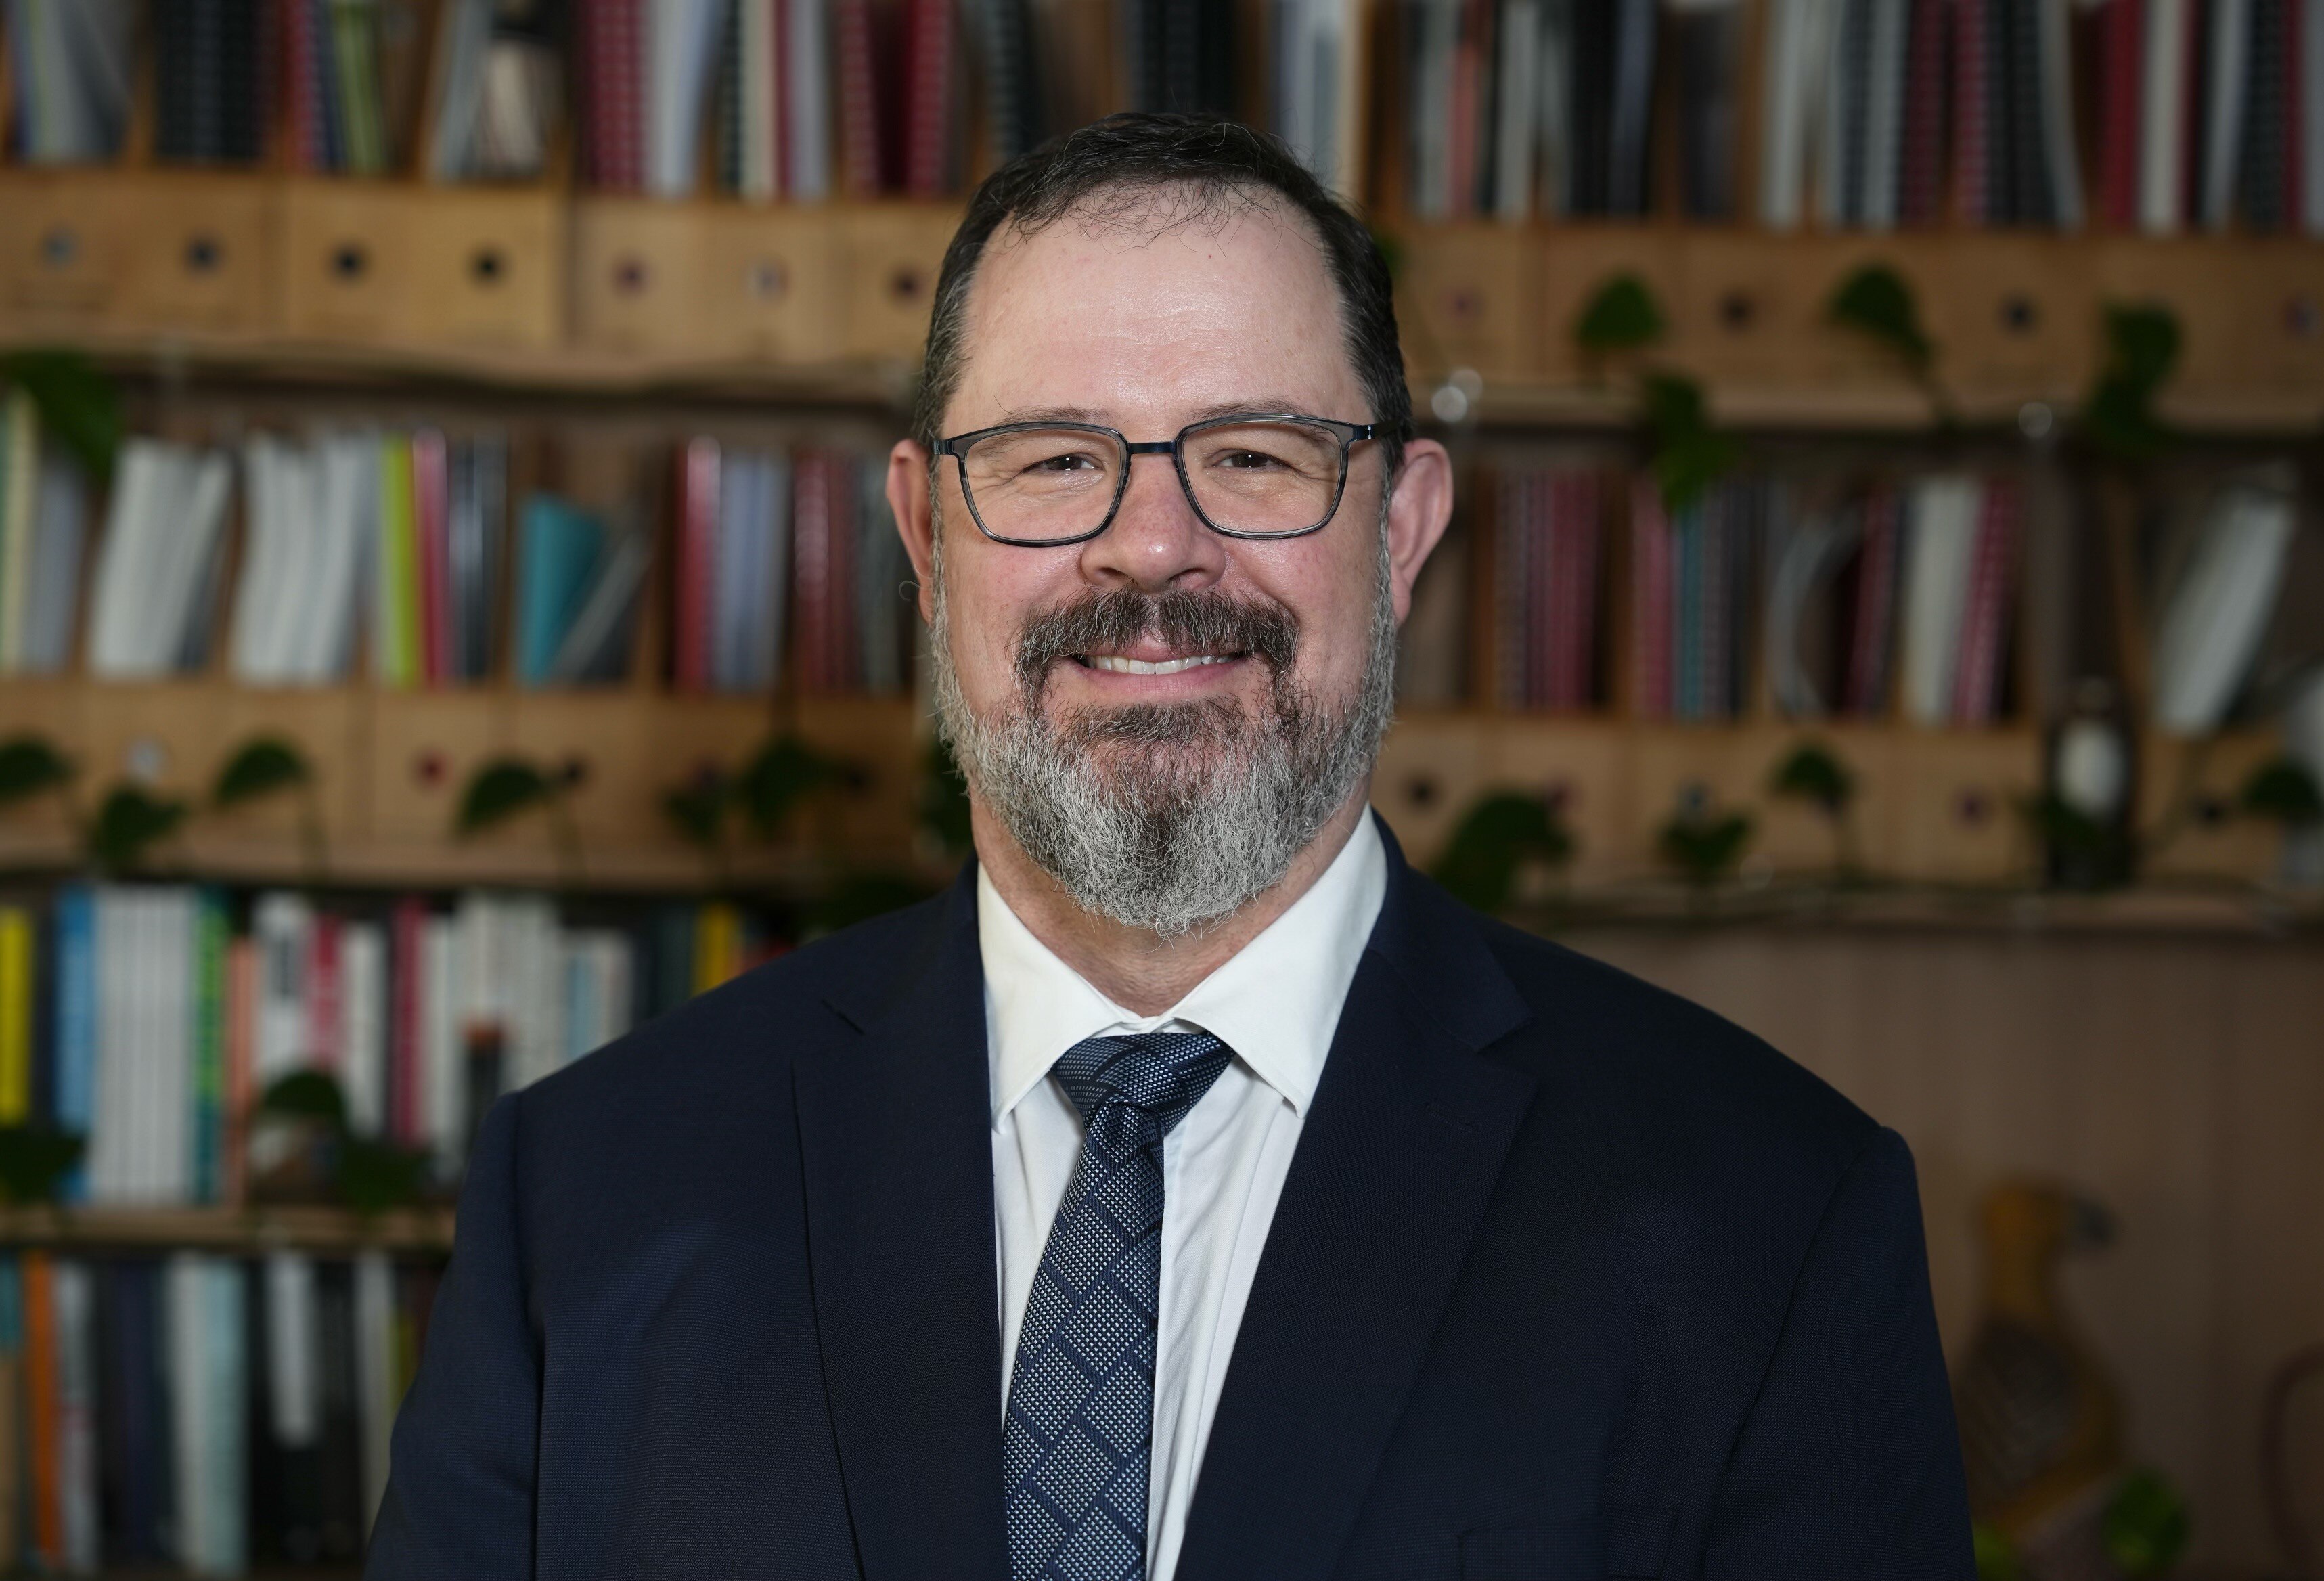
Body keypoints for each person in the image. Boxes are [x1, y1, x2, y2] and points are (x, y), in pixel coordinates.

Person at [368, 114, 1975, 1581]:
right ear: (930, 537)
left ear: (1401, 531)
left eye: (1257, 455)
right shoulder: (585, 1197)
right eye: (1059, 458)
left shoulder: (1770, 1216)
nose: (1151, 546)